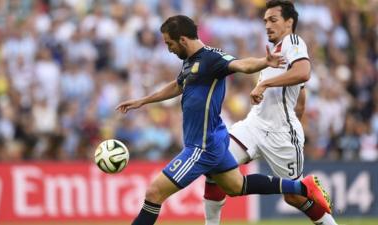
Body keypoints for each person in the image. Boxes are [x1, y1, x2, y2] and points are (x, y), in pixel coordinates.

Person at [116, 15, 330, 225]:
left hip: (202, 147)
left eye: (169, 43)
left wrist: (265, 62)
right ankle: (303, 187)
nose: (168, 48)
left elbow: (241, 65)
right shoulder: (189, 62)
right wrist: (143, 101)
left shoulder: (212, 58)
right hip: (215, 141)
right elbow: (177, 85)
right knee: (237, 186)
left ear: (182, 39)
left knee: (154, 192)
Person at [203, 1, 338, 225]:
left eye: (273, 20)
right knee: (214, 162)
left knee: (294, 196)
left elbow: (303, 73)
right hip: (253, 126)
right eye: (265, 20)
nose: (267, 25)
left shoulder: (293, 41)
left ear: (289, 22)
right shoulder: (275, 53)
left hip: (281, 134)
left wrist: (265, 86)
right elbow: (301, 94)